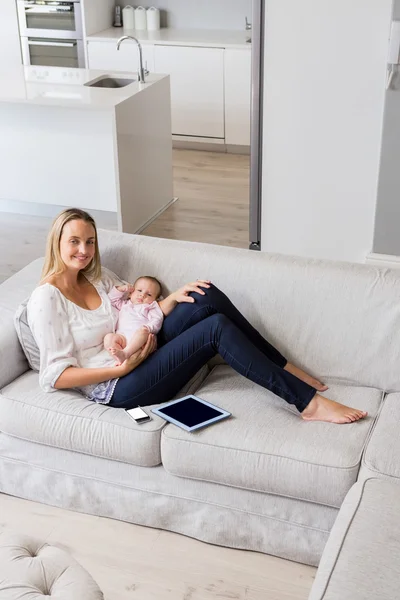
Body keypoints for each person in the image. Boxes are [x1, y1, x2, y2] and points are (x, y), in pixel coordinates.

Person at [26, 208, 367, 423]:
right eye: (74, 242)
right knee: (214, 328)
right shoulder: (47, 298)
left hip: (139, 347)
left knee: (204, 294)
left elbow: (135, 303)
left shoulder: (97, 277)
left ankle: (282, 365)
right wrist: (122, 366)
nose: (84, 250)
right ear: (56, 242)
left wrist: (169, 299)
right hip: (119, 385)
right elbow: (53, 377)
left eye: (90, 241)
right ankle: (307, 403)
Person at [104, 276, 164, 366]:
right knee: (109, 338)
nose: (142, 295)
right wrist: (120, 289)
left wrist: (148, 328)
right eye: (139, 290)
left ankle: (125, 354)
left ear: (155, 300)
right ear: (131, 293)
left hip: (141, 341)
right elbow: (111, 300)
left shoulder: (149, 307)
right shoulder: (125, 305)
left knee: (143, 331)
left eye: (149, 295)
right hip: (123, 338)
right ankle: (120, 357)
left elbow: (157, 319)